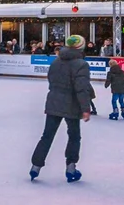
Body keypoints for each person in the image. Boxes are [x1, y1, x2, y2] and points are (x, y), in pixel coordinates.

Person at [30, 35, 92, 183]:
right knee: (74, 136)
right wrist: (85, 108)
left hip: (53, 101)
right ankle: (71, 167)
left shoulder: (56, 62)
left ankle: (35, 166)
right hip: (72, 104)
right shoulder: (81, 64)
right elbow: (81, 88)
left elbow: (51, 80)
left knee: (47, 135)